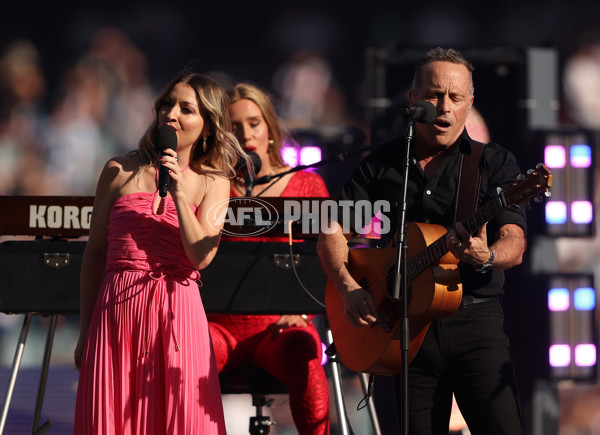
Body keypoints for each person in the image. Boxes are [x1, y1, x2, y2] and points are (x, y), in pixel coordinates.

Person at [317, 47, 527, 434]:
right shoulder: (382, 165)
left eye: (455, 97)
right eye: (434, 95)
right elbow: (333, 229)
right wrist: (348, 287)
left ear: (469, 104)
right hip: (405, 328)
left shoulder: (494, 164)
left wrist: (487, 255)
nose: (444, 106)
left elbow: (513, 238)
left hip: (473, 320)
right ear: (414, 100)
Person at [73, 71, 247, 434]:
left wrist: (181, 194)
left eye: (186, 109)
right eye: (167, 104)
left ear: (207, 127)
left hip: (176, 315)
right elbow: (95, 253)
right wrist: (86, 328)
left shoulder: (215, 182)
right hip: (116, 314)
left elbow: (202, 256)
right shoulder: (118, 170)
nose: (171, 114)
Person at [207, 82, 331, 434]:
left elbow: (323, 258)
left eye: (254, 122)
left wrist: (302, 309)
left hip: (277, 328)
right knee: (181, 349)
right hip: (216, 327)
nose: (246, 134)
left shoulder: (306, 187)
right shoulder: (211, 185)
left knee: (304, 349)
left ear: (270, 130)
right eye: (234, 126)